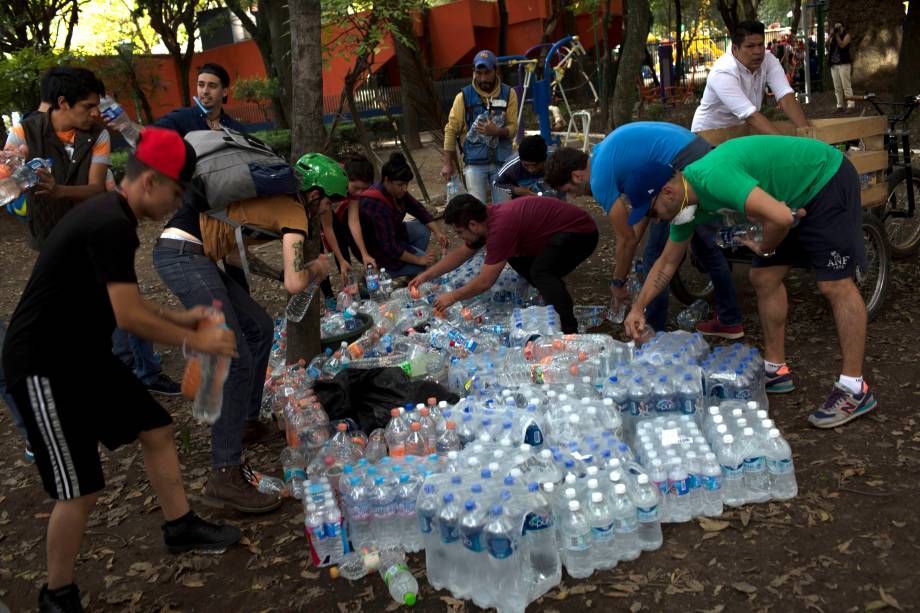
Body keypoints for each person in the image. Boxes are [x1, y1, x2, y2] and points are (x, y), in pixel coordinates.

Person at [1, 128, 241, 613]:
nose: (176, 205)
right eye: (175, 193)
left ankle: (180, 526)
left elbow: (121, 303)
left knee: (156, 427)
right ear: (150, 182)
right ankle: (58, 594)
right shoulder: (110, 222)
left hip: (83, 355)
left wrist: (181, 318)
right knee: (80, 487)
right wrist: (197, 339)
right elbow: (130, 318)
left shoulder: (114, 217)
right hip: (43, 362)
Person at [621, 135, 876, 428]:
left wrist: (765, 246)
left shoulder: (712, 178)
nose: (653, 221)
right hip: (787, 199)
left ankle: (854, 388)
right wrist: (639, 307)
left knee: (834, 284)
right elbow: (666, 263)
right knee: (764, 277)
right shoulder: (686, 207)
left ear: (667, 192)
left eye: (651, 212)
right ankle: (775, 370)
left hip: (825, 178)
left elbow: (779, 219)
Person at [152, 150, 334, 514]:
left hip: (192, 253)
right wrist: (317, 266)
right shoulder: (294, 210)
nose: (327, 212)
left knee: (259, 327)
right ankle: (225, 473)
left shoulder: (264, 198)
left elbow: (233, 248)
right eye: (329, 203)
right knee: (235, 359)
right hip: (184, 257)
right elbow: (297, 283)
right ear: (314, 195)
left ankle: (246, 419)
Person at [544, 123, 744, 338]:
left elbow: (626, 239)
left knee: (657, 254)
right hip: (692, 148)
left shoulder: (599, 178)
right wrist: (630, 250)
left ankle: (652, 330)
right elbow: (641, 217)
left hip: (685, 161)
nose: (574, 197)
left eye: (569, 191)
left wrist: (618, 283)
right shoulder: (601, 155)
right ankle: (728, 318)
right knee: (702, 247)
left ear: (576, 176)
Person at [411, 195, 598, 334]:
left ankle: (568, 330)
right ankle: (552, 299)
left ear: (473, 225)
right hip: (557, 233)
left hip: (580, 234)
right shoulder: (487, 220)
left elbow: (485, 281)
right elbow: (460, 254)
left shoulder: (500, 228)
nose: (461, 237)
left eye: (460, 232)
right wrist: (427, 275)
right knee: (519, 260)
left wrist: (452, 296)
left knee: (541, 272)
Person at [4, 67, 110, 250]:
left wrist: (59, 190)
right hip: (47, 235)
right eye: (88, 106)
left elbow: (97, 189)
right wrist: (10, 168)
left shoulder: (99, 135)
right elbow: (6, 182)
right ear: (63, 102)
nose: (96, 113)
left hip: (89, 230)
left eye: (97, 106)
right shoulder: (23, 132)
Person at [691, 21, 809, 135]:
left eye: (760, 45)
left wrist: (808, 134)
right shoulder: (723, 71)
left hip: (740, 134)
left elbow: (786, 96)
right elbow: (750, 115)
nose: (757, 51)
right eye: (750, 46)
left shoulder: (768, 60)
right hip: (708, 136)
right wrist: (788, 146)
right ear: (735, 49)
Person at [441, 49, 519, 204]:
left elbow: (513, 127)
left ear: (495, 70)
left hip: (501, 162)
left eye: (487, 73)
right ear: (474, 72)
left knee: (504, 209)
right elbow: (451, 130)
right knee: (477, 210)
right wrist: (447, 163)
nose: (483, 78)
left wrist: (497, 131)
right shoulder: (463, 97)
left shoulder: (509, 93)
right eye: (479, 73)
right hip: (474, 164)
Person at [359, 152, 449, 278]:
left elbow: (419, 210)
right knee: (425, 264)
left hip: (395, 236)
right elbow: (388, 246)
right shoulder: (375, 204)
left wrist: (437, 232)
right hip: (378, 251)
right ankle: (385, 272)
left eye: (406, 184)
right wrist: (418, 259)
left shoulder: (397, 192)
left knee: (422, 228)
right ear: (386, 180)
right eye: (400, 185)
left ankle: (410, 268)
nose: (405, 189)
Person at [318, 155, 376, 299]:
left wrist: (364, 254)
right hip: (311, 205)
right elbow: (327, 227)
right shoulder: (329, 183)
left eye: (363, 189)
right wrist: (340, 258)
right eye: (356, 188)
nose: (359, 193)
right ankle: (329, 298)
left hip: (326, 207)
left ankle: (351, 290)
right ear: (345, 179)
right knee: (318, 252)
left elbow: (353, 221)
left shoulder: (354, 187)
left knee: (342, 237)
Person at [153, 63, 248, 135]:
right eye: (201, 85)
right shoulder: (182, 118)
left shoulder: (237, 129)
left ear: (224, 92)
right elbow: (150, 133)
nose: (205, 91)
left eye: (212, 86)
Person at [493, 135, 556, 200]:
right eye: (526, 165)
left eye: (535, 165)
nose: (531, 170)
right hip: (523, 201)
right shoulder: (512, 166)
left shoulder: (556, 159)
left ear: (544, 160)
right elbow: (496, 183)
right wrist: (517, 190)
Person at [827, 22, 855, 113]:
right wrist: (831, 35)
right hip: (834, 65)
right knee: (837, 87)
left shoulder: (847, 35)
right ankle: (839, 106)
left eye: (839, 26)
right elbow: (826, 45)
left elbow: (842, 45)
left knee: (846, 86)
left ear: (843, 27)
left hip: (844, 64)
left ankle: (850, 105)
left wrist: (837, 36)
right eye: (836, 27)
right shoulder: (833, 37)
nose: (837, 28)